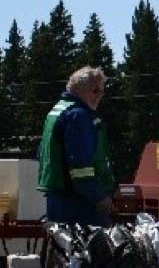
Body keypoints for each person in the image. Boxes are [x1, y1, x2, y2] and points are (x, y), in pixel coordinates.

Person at [37, 66, 115, 226]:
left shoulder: (57, 111)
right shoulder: (79, 116)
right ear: (80, 88)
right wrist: (99, 198)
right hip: (80, 206)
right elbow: (81, 168)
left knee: (63, 248)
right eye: (95, 90)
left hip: (58, 202)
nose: (100, 95)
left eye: (102, 91)